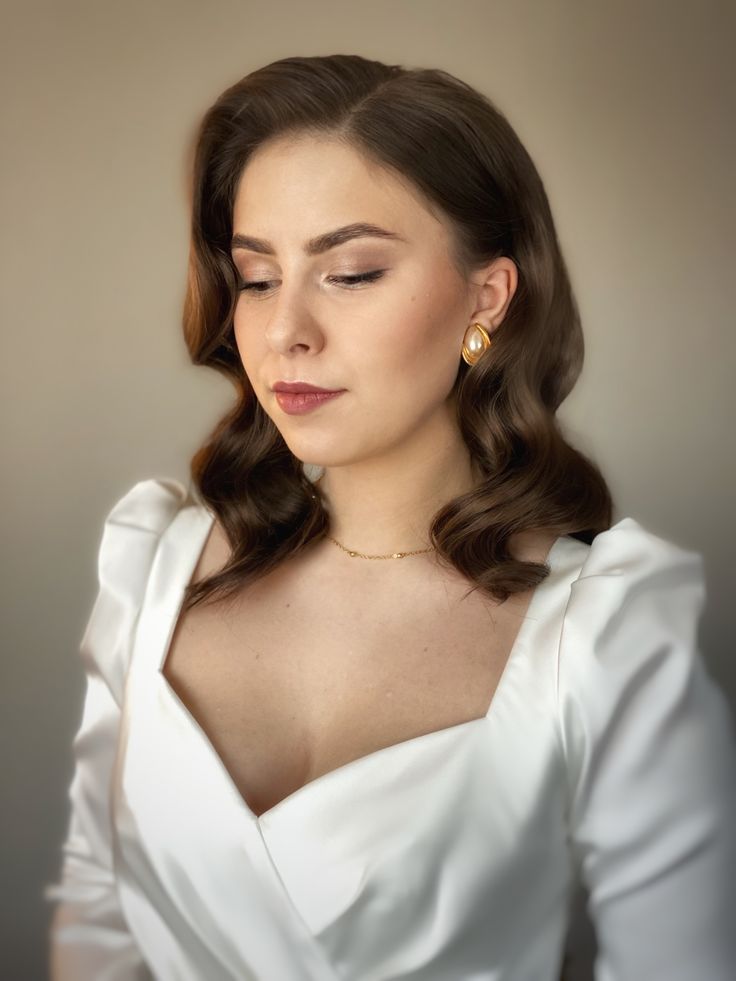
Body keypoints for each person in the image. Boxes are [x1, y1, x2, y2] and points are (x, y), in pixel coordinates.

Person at [44, 54, 736, 980]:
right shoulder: (151, 574)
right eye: (255, 277)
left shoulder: (608, 632)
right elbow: (95, 923)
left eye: (352, 273)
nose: (286, 327)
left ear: (485, 299)